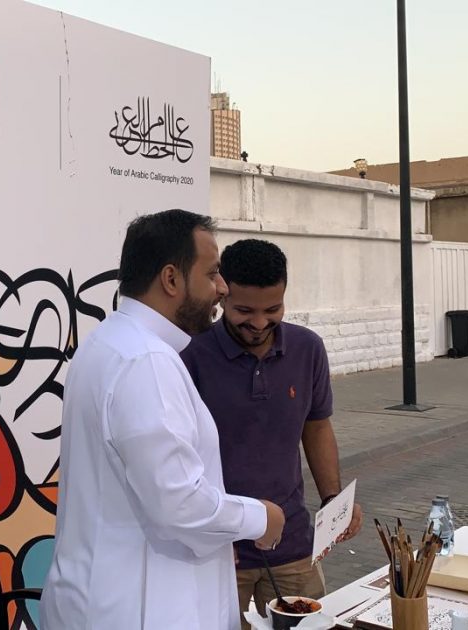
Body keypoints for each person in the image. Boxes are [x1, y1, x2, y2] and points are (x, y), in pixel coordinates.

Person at [40, 210, 286, 630]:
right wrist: (261, 518)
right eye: (212, 274)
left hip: (106, 599)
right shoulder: (146, 361)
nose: (222, 288)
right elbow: (179, 503)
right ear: (171, 279)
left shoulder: (111, 343)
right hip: (140, 609)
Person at [180, 239, 363, 629]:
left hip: (293, 546)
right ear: (222, 295)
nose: (260, 323)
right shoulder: (190, 355)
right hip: (220, 551)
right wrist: (209, 534)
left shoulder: (308, 349)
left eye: (273, 310)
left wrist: (333, 499)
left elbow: (316, 426)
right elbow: (181, 455)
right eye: (245, 311)